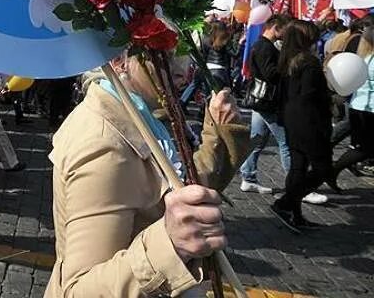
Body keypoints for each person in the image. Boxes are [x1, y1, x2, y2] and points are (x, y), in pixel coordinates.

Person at [44, 53, 249, 297]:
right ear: (119, 60)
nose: (182, 72)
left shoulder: (140, 116)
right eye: (163, 55)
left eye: (183, 55)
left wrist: (218, 135)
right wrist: (170, 243)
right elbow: (78, 290)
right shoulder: (104, 144)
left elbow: (176, 193)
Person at [271, 20, 333, 230]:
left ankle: (295, 214)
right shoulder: (309, 62)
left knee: (298, 168)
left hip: (292, 120)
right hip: (308, 122)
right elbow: (309, 96)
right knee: (322, 168)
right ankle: (285, 204)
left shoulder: (288, 60)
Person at [239, 15, 290, 194]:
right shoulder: (265, 47)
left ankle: (248, 176)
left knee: (257, 140)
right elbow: (270, 74)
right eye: (284, 29)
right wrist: (287, 66)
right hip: (267, 102)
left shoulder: (262, 45)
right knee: (286, 142)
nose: (285, 34)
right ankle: (297, 184)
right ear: (275, 27)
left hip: (261, 101)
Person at [329, 22, 374, 189]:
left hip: (358, 106)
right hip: (368, 109)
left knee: (361, 146)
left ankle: (334, 168)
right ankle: (333, 170)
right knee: (365, 149)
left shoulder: (364, 56)